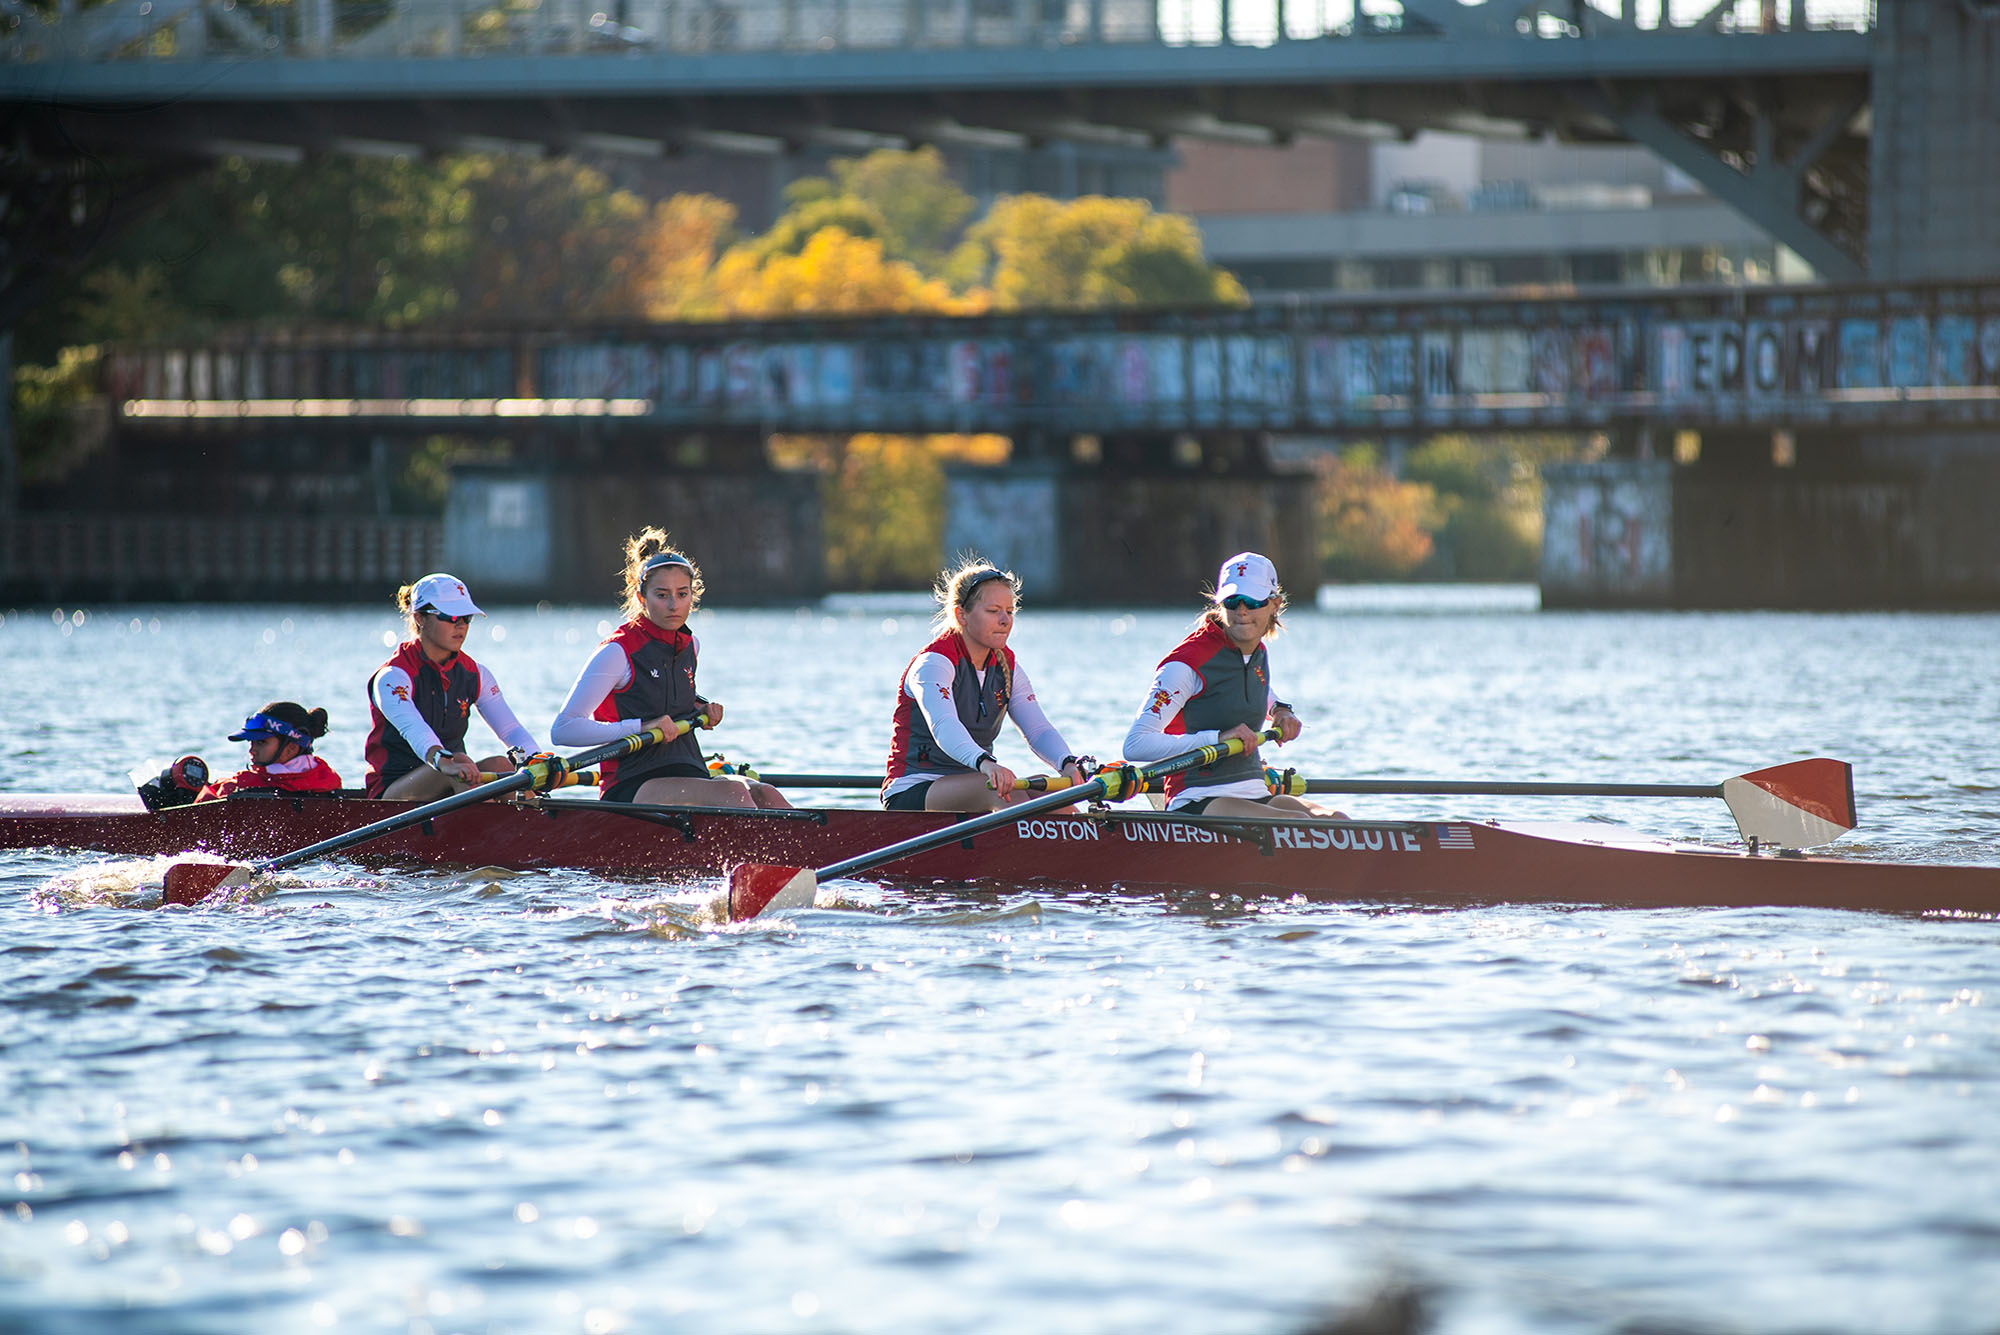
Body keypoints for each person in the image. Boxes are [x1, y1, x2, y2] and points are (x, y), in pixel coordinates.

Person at [550, 528, 789, 809]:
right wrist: (642, 727)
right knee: (734, 795)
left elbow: (663, 695)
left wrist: (699, 708)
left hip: (687, 772)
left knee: (764, 793)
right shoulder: (617, 651)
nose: (674, 605)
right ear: (642, 598)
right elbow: (564, 730)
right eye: (662, 595)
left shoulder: (690, 646)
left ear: (692, 596)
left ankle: (815, 851)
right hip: (632, 785)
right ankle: (762, 854)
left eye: (682, 594)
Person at [1122, 551, 1338, 819]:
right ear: (1219, 603)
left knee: (1336, 820)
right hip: (1197, 798)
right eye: (1232, 601)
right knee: (1297, 823)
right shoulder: (1185, 665)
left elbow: (1253, 687)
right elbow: (1135, 744)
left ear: (1274, 604)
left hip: (1254, 791)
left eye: (1252, 600)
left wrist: (1281, 710)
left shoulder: (1255, 652)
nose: (1242, 610)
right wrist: (1217, 739)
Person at [882, 559, 1086, 812]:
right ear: (961, 615)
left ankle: (1088, 848)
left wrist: (1066, 763)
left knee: (1055, 800)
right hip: (915, 789)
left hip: (978, 781)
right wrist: (986, 763)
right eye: (993, 611)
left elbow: (1038, 729)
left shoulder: (1006, 666)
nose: (1005, 620)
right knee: (1008, 795)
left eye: (1010, 612)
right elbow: (944, 726)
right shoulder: (934, 663)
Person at [364, 573, 540, 800]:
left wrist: (538, 762)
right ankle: (493, 832)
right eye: (451, 616)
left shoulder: (475, 674)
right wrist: (441, 760)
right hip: (392, 795)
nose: (460, 625)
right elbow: (413, 728)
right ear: (419, 618)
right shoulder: (393, 676)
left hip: (454, 776)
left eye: (466, 617)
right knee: (459, 765)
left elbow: (510, 730)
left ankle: (534, 831)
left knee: (504, 766)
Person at [195, 702, 343, 801]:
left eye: (261, 742)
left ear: (291, 747)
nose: (252, 750)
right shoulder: (330, 781)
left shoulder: (239, 786)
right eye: (251, 742)